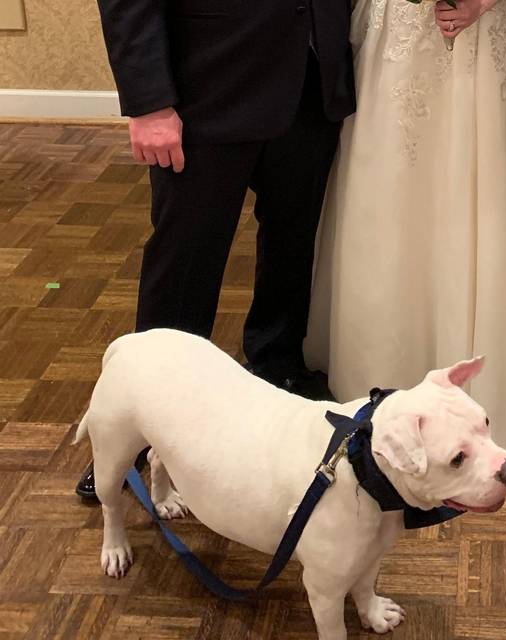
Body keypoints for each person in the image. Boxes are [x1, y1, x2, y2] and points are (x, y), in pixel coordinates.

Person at [303, 0, 506, 456]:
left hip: (503, 32)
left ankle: (501, 371)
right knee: (398, 190)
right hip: (402, 34)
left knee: (502, 199)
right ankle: (393, 360)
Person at [77, 0, 355, 499]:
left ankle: (278, 374)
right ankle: (139, 433)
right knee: (185, 261)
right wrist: (148, 101)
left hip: (312, 83)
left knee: (293, 246)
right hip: (205, 87)